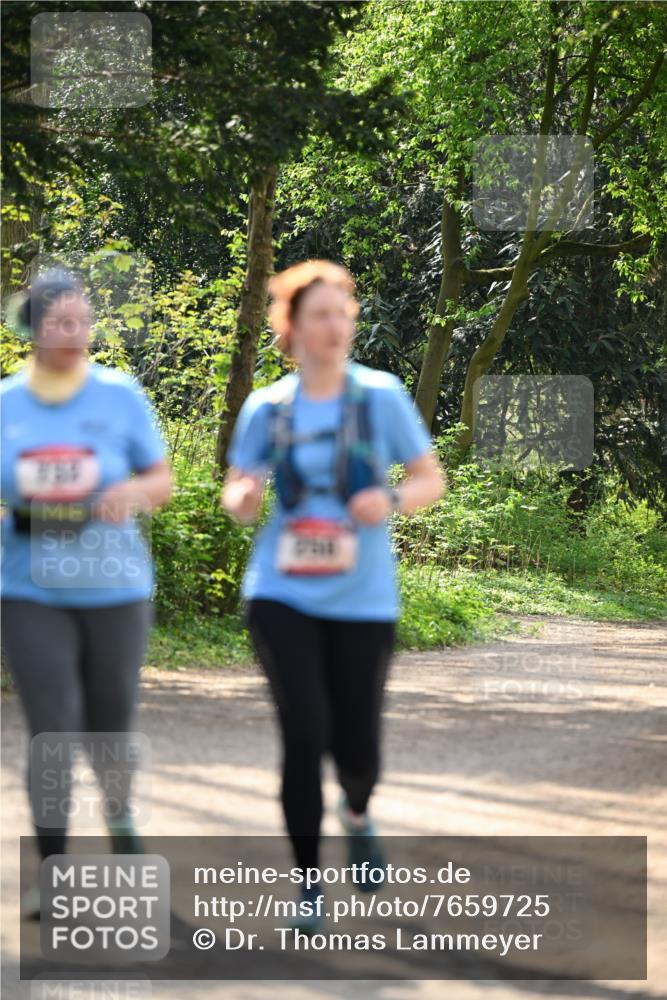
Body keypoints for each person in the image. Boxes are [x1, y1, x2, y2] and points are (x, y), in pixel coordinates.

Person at [221, 259, 444, 933]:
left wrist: (392, 498)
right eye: (318, 314)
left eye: (341, 313)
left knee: (357, 749)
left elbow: (430, 479)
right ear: (290, 328)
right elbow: (237, 491)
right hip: (280, 592)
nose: (333, 325)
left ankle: (356, 809)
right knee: (303, 732)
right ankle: (309, 886)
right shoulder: (268, 407)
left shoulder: (380, 396)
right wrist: (244, 496)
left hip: (362, 596)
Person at [1, 270, 172, 916]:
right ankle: (52, 869)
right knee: (51, 728)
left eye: (82, 321)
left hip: (114, 585)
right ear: (33, 329)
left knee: (110, 722)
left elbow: (161, 481)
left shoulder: (120, 395)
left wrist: (130, 491)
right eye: (59, 322)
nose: (74, 333)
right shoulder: (6, 404)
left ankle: (120, 817)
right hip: (29, 587)